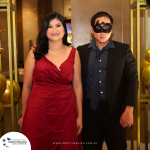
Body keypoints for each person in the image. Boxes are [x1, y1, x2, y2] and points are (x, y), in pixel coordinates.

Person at [18, 12, 83, 150]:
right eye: (49, 26)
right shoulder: (34, 53)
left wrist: (80, 116)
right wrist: (24, 114)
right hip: (38, 111)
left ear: (64, 29)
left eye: (58, 25)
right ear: (44, 31)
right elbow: (27, 86)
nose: (54, 30)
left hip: (66, 111)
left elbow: (77, 86)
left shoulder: (74, 53)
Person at [77, 11, 139, 150]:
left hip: (115, 112)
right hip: (88, 112)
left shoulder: (123, 50)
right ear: (92, 30)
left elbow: (133, 81)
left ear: (112, 29)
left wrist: (129, 110)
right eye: (98, 28)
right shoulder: (81, 51)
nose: (102, 32)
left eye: (107, 27)